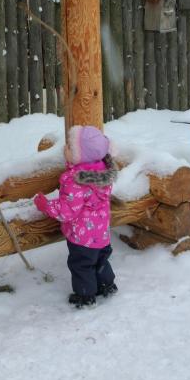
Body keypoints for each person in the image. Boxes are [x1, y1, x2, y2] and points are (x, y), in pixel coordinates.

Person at [33, 125, 119, 308]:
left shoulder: (75, 180)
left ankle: (85, 296)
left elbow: (67, 211)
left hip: (82, 237)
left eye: (70, 147)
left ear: (82, 157)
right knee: (101, 260)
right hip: (101, 234)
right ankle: (107, 285)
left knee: (81, 265)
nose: (65, 149)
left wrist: (45, 205)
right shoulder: (102, 172)